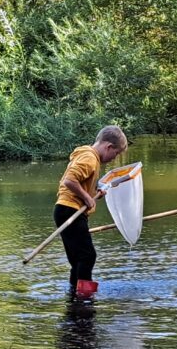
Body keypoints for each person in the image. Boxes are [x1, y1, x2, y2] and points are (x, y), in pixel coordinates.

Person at [54, 125, 128, 299]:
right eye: (115, 154)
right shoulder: (89, 158)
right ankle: (85, 299)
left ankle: (74, 296)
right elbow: (69, 180)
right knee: (88, 256)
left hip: (65, 210)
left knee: (78, 260)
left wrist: (95, 192)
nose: (113, 158)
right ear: (108, 146)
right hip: (70, 210)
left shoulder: (88, 156)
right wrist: (87, 198)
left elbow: (80, 182)